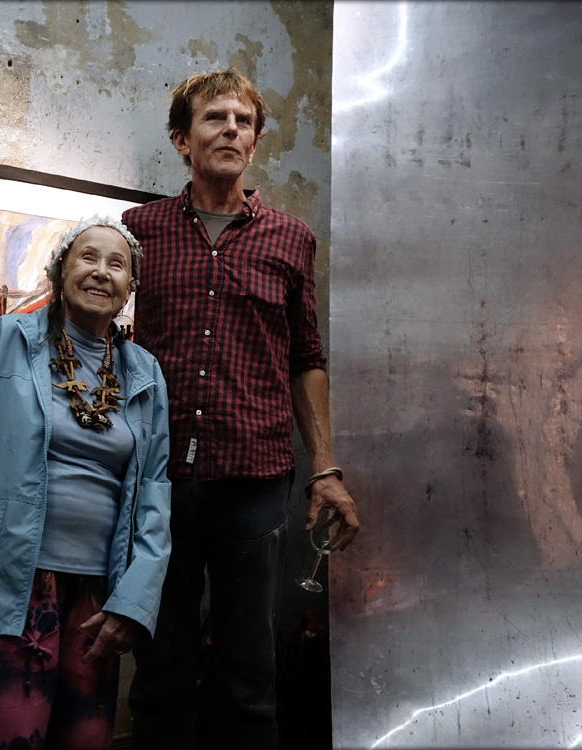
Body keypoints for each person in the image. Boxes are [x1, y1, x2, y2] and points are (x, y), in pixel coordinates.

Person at [123, 68, 361, 749]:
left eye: (244, 121)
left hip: (255, 480)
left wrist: (325, 467)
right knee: (159, 666)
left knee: (249, 673)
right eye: (214, 117)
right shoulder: (138, 231)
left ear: (254, 143)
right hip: (158, 479)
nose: (231, 129)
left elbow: (306, 357)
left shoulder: (290, 238)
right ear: (181, 140)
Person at [0, 215, 172, 750]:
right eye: (88, 257)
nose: (101, 272)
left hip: (100, 593)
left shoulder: (145, 373)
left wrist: (134, 602)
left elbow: (155, 497)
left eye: (117, 264)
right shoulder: (8, 340)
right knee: (7, 735)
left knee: (86, 737)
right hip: (12, 582)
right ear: (60, 271)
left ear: (130, 287)